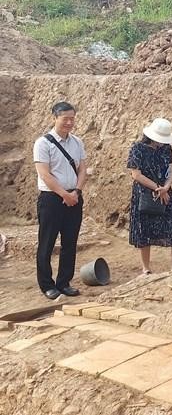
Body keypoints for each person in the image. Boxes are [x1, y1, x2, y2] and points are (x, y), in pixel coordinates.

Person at [33, 101, 87, 299]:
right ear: (55, 118)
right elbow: (44, 174)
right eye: (65, 119)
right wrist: (64, 194)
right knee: (46, 243)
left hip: (75, 196)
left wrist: (77, 192)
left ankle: (64, 282)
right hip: (52, 199)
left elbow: (82, 168)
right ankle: (47, 284)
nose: (69, 122)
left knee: (70, 243)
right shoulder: (43, 143)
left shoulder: (77, 142)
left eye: (72, 118)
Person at [127, 118, 172, 274]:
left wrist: (165, 187)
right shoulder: (138, 148)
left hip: (165, 192)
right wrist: (157, 188)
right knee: (144, 229)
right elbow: (136, 174)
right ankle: (146, 268)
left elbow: (171, 169)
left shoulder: (166, 148)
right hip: (145, 192)